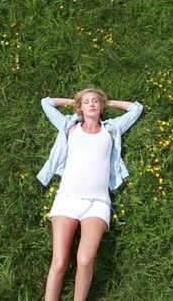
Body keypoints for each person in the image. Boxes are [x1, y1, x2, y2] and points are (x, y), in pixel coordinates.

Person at [36, 88, 143, 300]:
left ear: (101, 106)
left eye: (95, 101)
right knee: (59, 262)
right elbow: (46, 103)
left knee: (85, 260)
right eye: (86, 102)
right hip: (67, 200)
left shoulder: (111, 129)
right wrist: (75, 101)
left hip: (97, 203)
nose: (91, 104)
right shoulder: (70, 127)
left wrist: (108, 101)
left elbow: (136, 108)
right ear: (80, 108)